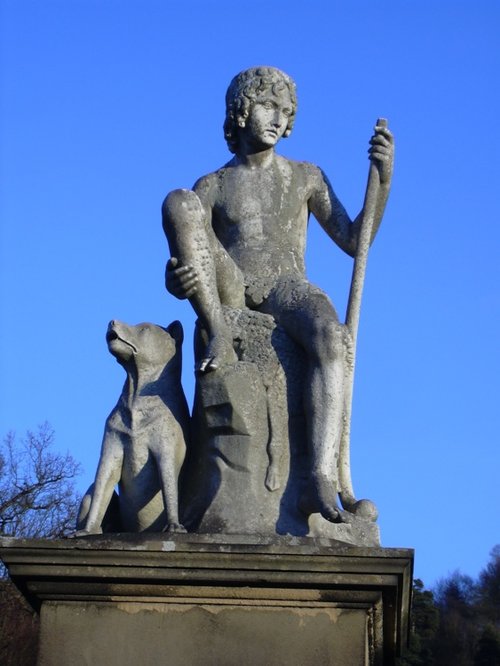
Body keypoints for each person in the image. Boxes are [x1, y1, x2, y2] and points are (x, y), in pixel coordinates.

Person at [162, 66, 393, 522]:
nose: (278, 120)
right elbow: (190, 254)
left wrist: (383, 182)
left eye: (286, 112)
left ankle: (322, 478)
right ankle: (221, 332)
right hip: (230, 290)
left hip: (288, 287)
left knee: (331, 338)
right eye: (268, 106)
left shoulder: (306, 176)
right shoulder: (214, 184)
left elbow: (354, 240)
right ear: (241, 110)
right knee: (178, 200)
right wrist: (178, 282)